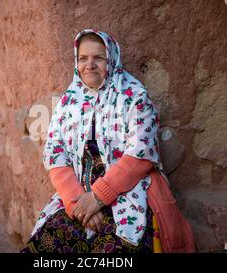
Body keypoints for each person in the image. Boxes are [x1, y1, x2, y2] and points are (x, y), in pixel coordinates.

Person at [20, 29, 194, 253]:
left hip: (128, 198)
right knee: (46, 246)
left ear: (111, 59)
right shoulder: (68, 101)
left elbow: (141, 156)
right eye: (83, 58)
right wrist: (78, 204)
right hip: (80, 199)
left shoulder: (133, 96)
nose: (89, 65)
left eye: (98, 58)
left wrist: (98, 197)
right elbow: (55, 154)